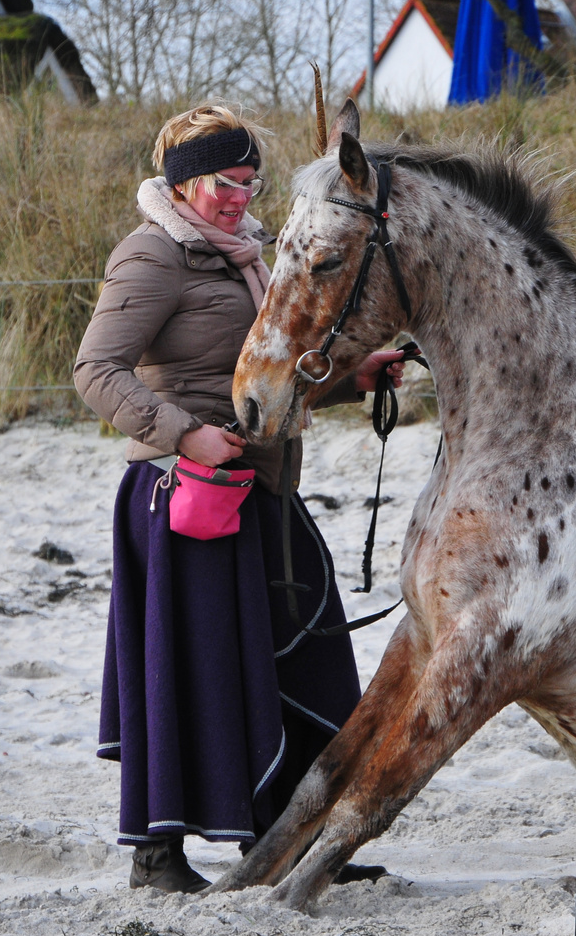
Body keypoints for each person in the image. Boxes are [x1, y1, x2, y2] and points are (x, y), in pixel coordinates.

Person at [73, 104, 405, 893]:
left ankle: (286, 842)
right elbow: (95, 372)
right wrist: (185, 433)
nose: (240, 197)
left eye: (250, 182)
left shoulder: (246, 256)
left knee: (304, 658)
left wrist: (353, 379)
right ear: (186, 183)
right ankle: (157, 860)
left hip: (257, 487)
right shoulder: (151, 257)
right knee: (195, 670)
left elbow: (262, 385)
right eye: (227, 183)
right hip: (183, 497)